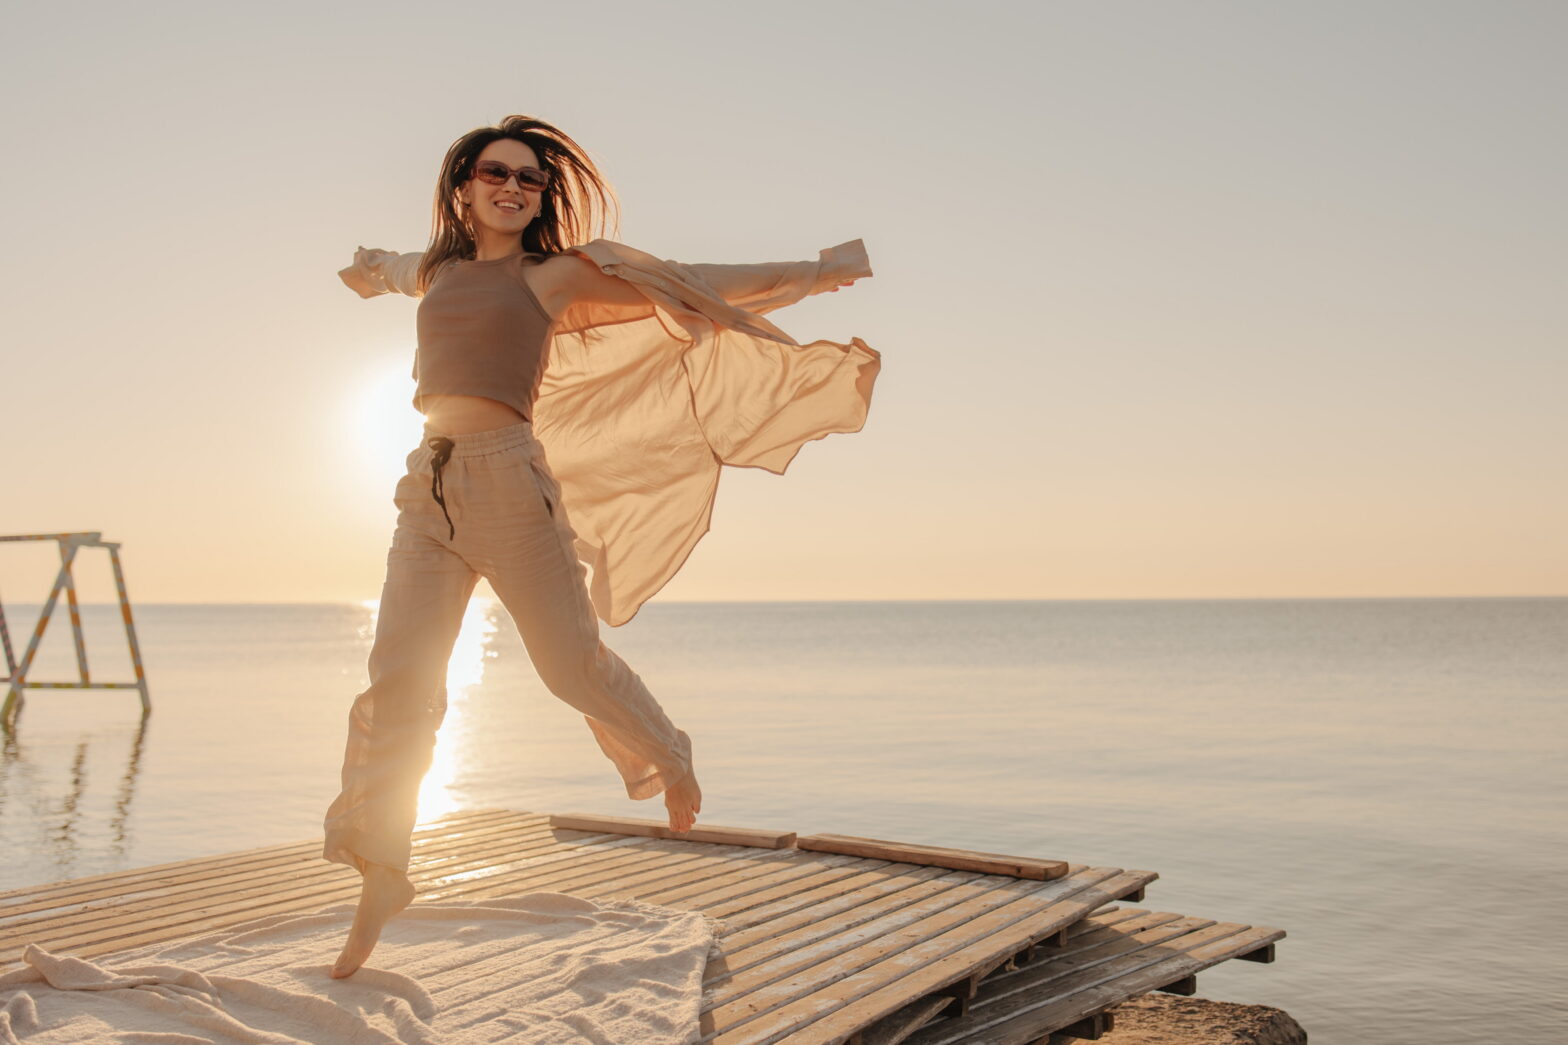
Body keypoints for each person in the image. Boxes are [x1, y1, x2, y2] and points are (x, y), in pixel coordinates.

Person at [324, 114, 879, 978]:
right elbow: (395, 270)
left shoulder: (554, 277)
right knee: (398, 678)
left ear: (543, 197)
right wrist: (367, 270)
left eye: (531, 180)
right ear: (464, 185)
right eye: (496, 172)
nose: (513, 187)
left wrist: (817, 272)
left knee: (569, 666)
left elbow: (689, 285)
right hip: (424, 487)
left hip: (510, 482)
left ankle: (668, 748)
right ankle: (385, 867)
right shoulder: (435, 269)